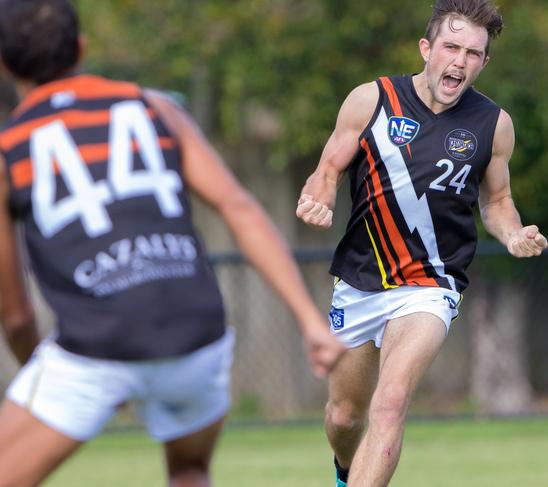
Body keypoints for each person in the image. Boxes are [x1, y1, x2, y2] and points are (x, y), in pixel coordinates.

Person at [0, 0, 345, 485]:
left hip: (97, 343)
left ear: (5, 62)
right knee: (189, 468)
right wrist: (310, 321)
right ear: (81, 47)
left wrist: (42, 370)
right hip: (195, 332)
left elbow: (15, 315)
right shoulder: (153, 106)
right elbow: (239, 207)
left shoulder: (10, 147)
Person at [296, 0, 548, 485]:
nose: (460, 61)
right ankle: (345, 471)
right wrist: (319, 198)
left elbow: (497, 202)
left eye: (473, 53)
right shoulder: (371, 100)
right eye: (451, 47)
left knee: (390, 402)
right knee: (345, 418)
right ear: (426, 48)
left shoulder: (493, 125)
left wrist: (514, 233)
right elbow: (327, 170)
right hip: (360, 281)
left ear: (484, 63)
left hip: (431, 285)